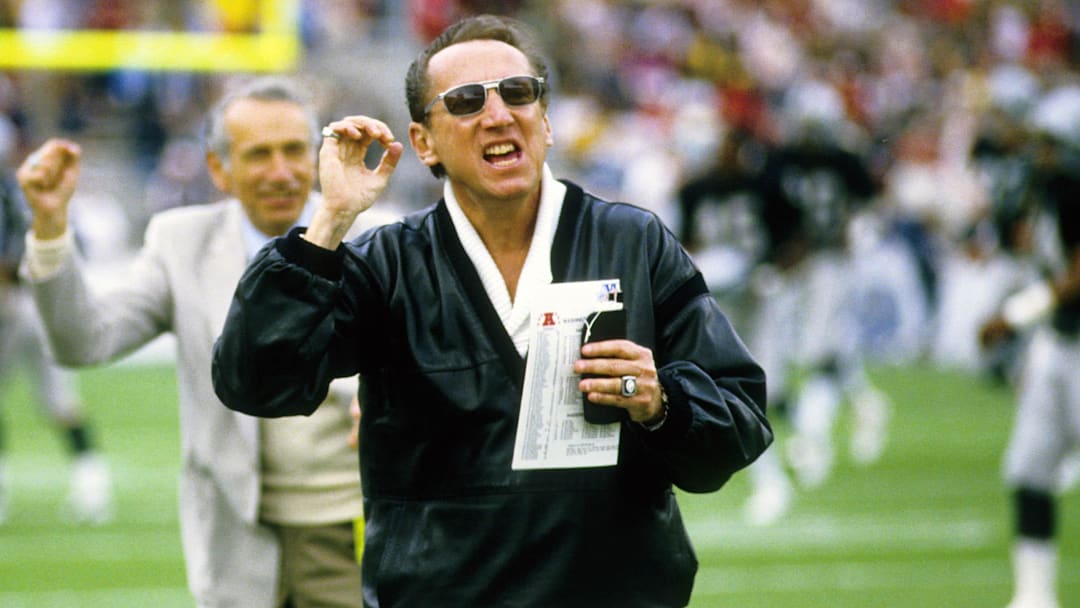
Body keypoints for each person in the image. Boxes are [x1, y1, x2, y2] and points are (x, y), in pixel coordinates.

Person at [212, 14, 772, 607]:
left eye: (518, 92)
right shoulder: (386, 264)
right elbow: (256, 381)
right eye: (465, 101)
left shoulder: (633, 243)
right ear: (423, 141)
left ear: (547, 120)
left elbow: (739, 421)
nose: (499, 113)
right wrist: (328, 223)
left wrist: (660, 402)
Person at [16, 77, 382, 608]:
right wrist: (49, 229)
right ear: (219, 170)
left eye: (293, 151)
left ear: (319, 156)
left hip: (351, 526)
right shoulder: (180, 241)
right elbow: (85, 341)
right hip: (235, 533)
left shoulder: (379, 237)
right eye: (259, 154)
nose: (280, 172)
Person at [979, 83, 1080, 608]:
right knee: (1029, 467)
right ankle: (1035, 596)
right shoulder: (1046, 191)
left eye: (1050, 143)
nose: (1039, 153)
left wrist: (1016, 314)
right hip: (1059, 343)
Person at [0, 125, 112, 525]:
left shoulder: (12, 197)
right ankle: (93, 484)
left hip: (13, 306)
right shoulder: (25, 191)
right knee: (61, 402)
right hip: (42, 304)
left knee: (56, 401)